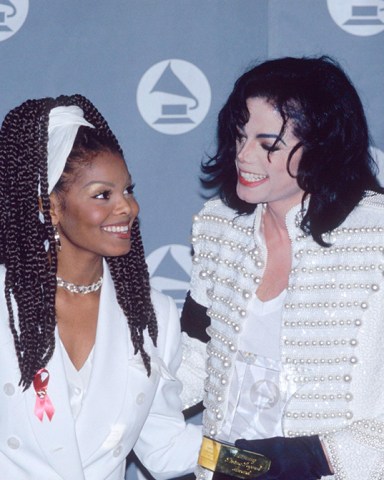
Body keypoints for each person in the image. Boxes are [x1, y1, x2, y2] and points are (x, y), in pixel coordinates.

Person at [181, 56, 384, 480]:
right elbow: (195, 359)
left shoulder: (376, 238)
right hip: (231, 471)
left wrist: (311, 459)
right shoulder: (219, 228)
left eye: (267, 142)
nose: (243, 155)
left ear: (322, 144)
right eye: (239, 136)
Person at [0, 94, 202, 480]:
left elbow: (165, 445)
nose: (127, 207)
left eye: (128, 190)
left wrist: (257, 459)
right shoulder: (4, 306)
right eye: (102, 195)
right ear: (50, 206)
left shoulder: (150, 314)